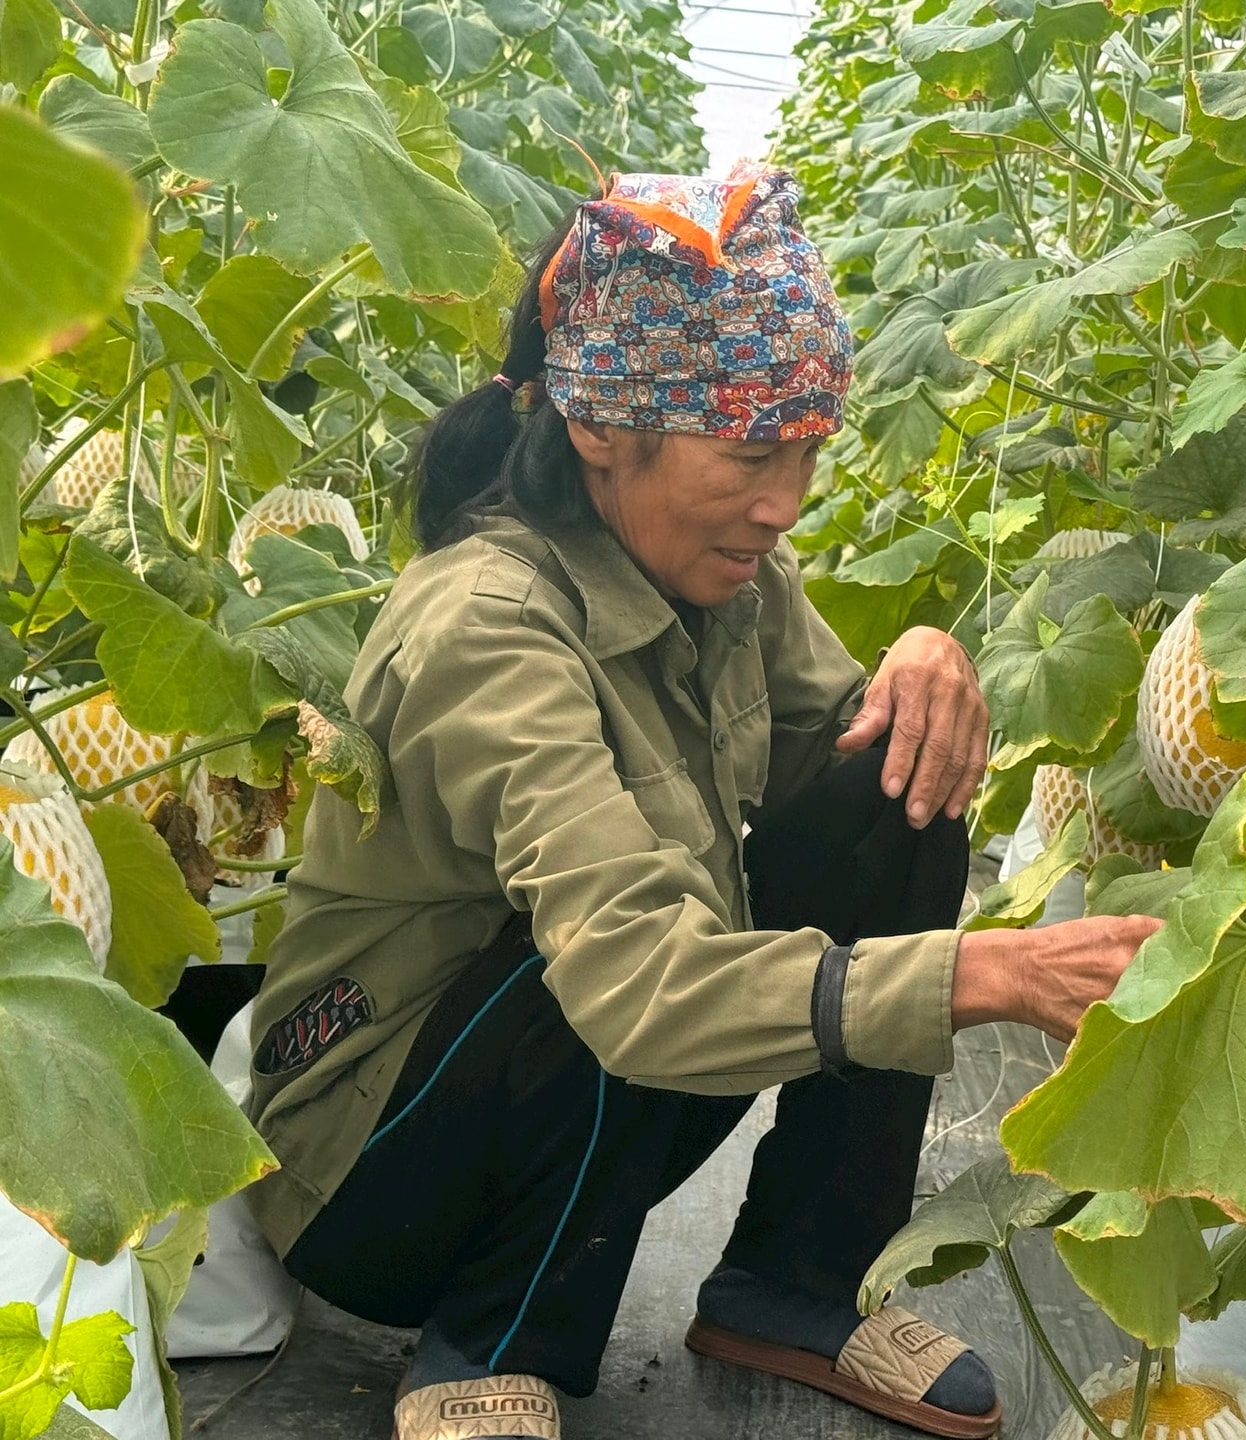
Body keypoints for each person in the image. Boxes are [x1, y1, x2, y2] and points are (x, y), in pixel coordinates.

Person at [243, 160, 1160, 1440]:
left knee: (902, 783)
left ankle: (797, 1282)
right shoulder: (486, 622)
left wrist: (926, 670)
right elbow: (635, 985)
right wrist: (985, 977)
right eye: (746, 456)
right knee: (594, 954)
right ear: (601, 430)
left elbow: (840, 767)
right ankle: (484, 1345)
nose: (782, 505)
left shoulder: (725, 564)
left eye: (805, 452)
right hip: (380, 1166)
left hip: (599, 1100)